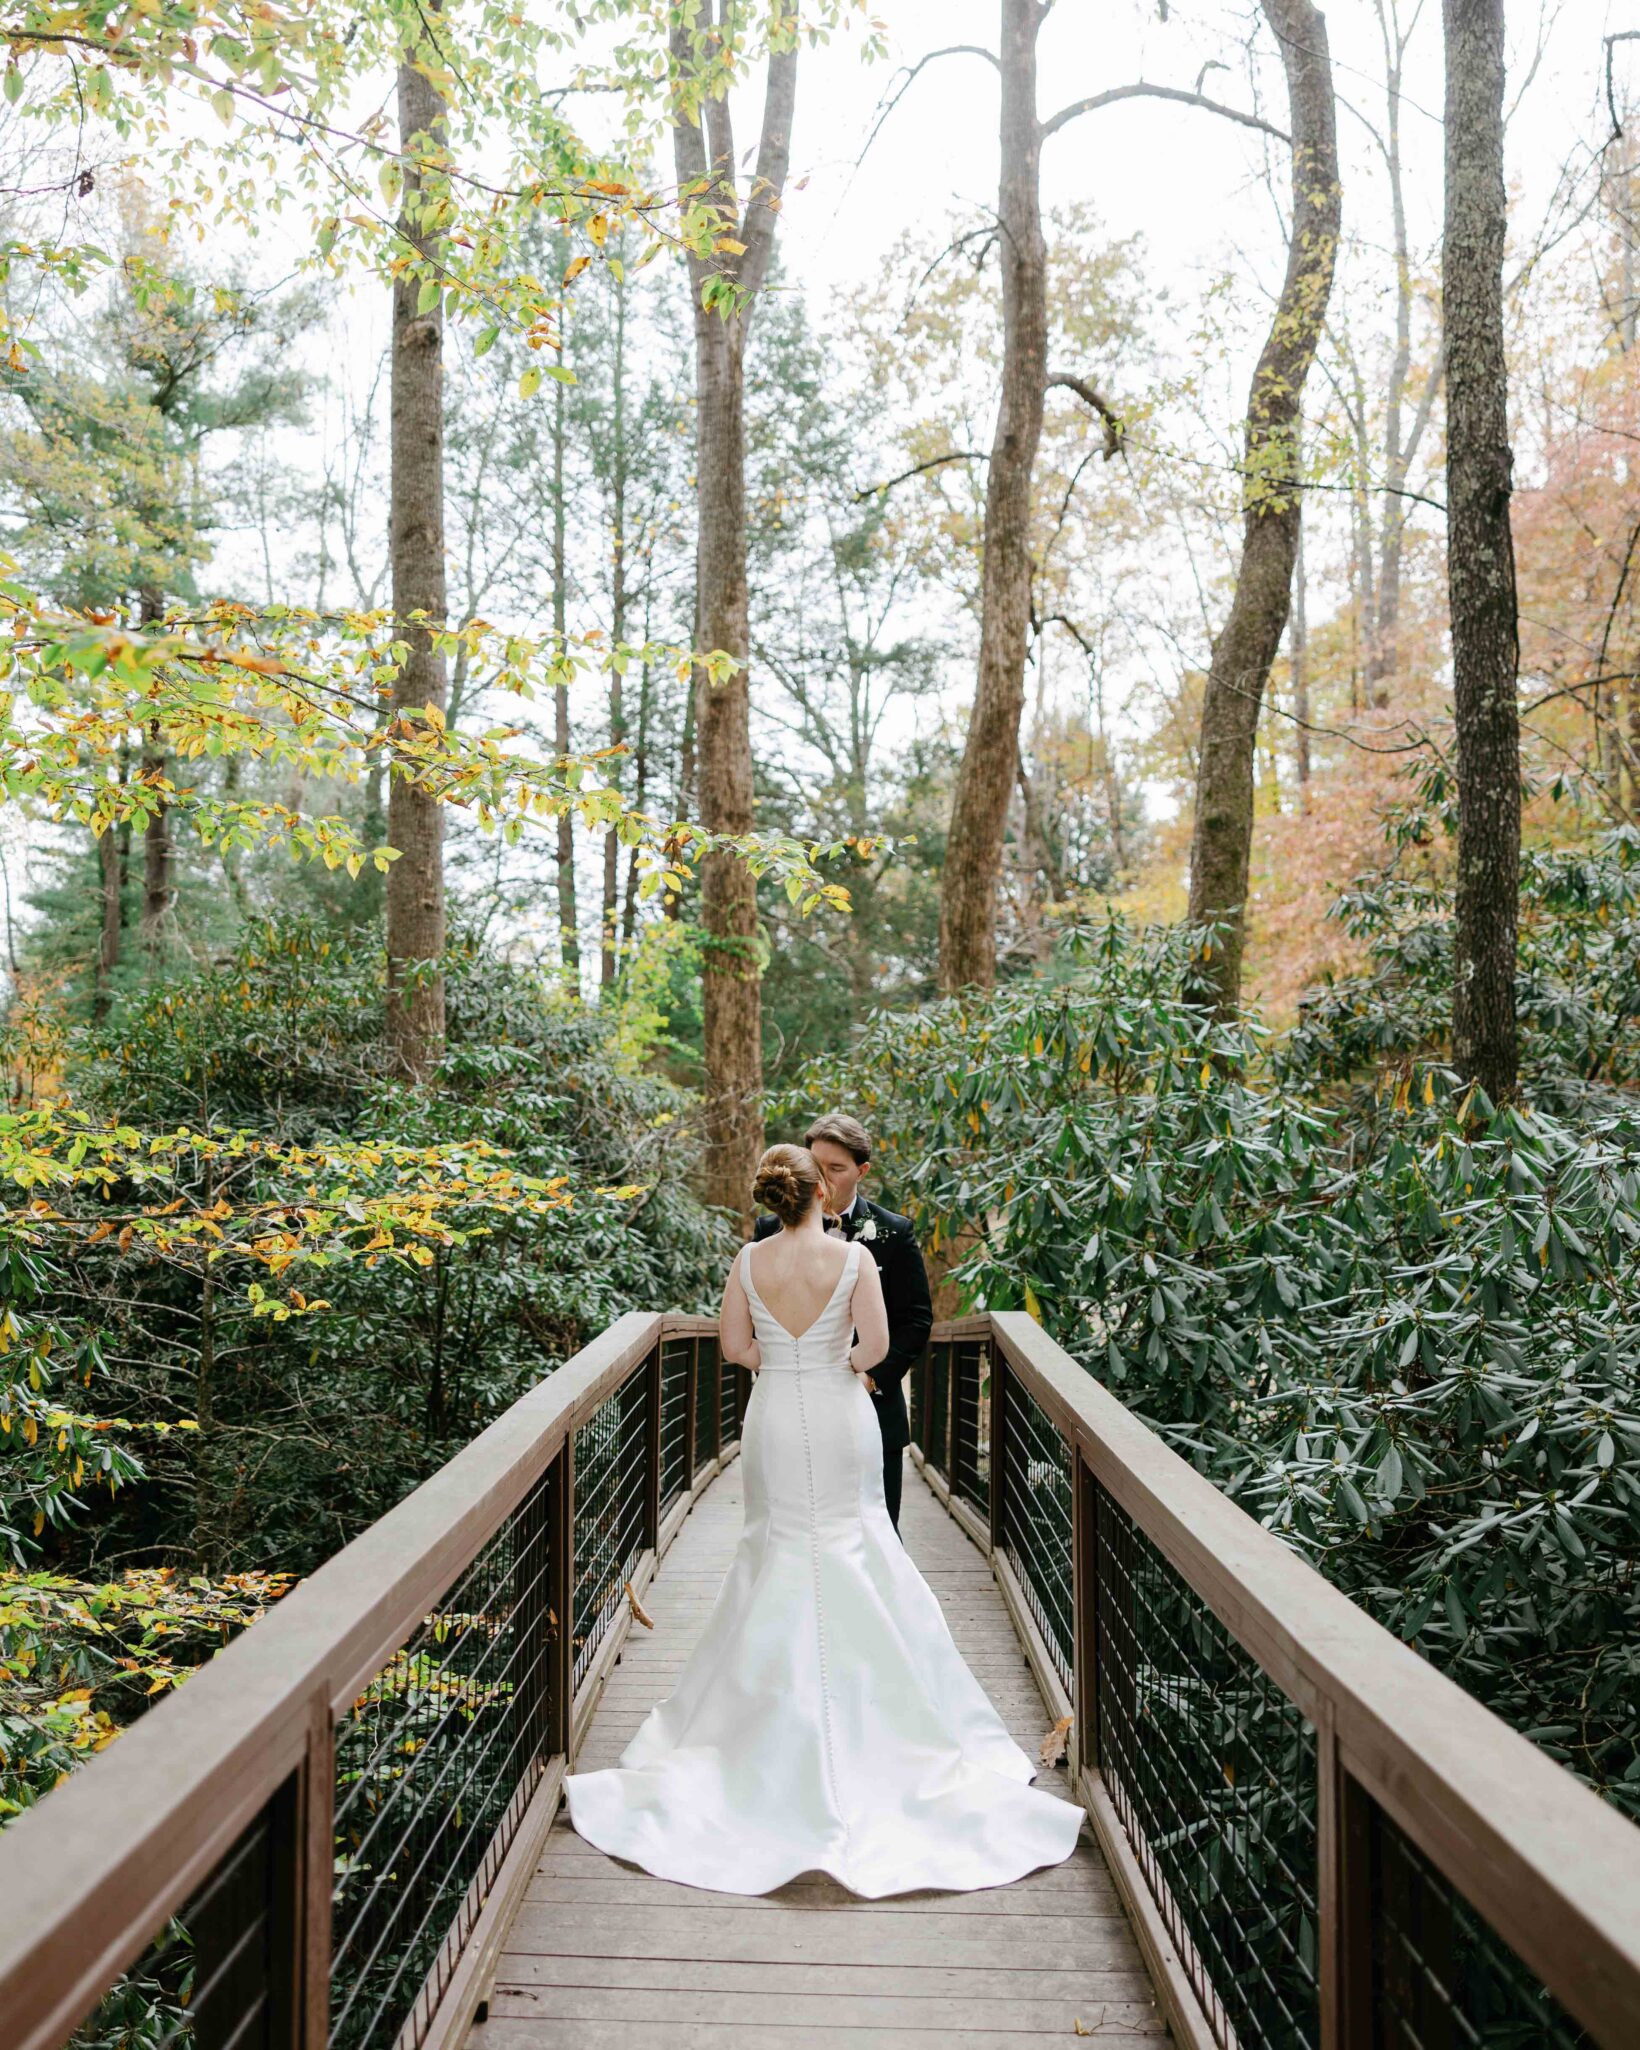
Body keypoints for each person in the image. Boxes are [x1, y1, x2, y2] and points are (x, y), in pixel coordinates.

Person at [563, 1143, 1084, 1898]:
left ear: (774, 1200)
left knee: (773, 1550)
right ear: (818, 1195)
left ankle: (749, 1731)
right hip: (841, 1415)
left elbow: (735, 1346)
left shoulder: (748, 1263)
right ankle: (892, 1721)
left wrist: (782, 1359)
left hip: (775, 1414)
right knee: (854, 1541)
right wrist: (841, 1360)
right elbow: (876, 1346)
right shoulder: (852, 1261)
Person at [754, 1111, 930, 1533]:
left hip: (872, 1409)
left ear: (861, 1170)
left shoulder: (892, 1232)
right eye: (817, 1167)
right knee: (794, 1533)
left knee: (877, 1533)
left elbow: (916, 1319)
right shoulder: (766, 1229)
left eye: (837, 1168)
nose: (825, 1180)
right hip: (792, 1414)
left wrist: (870, 1378)